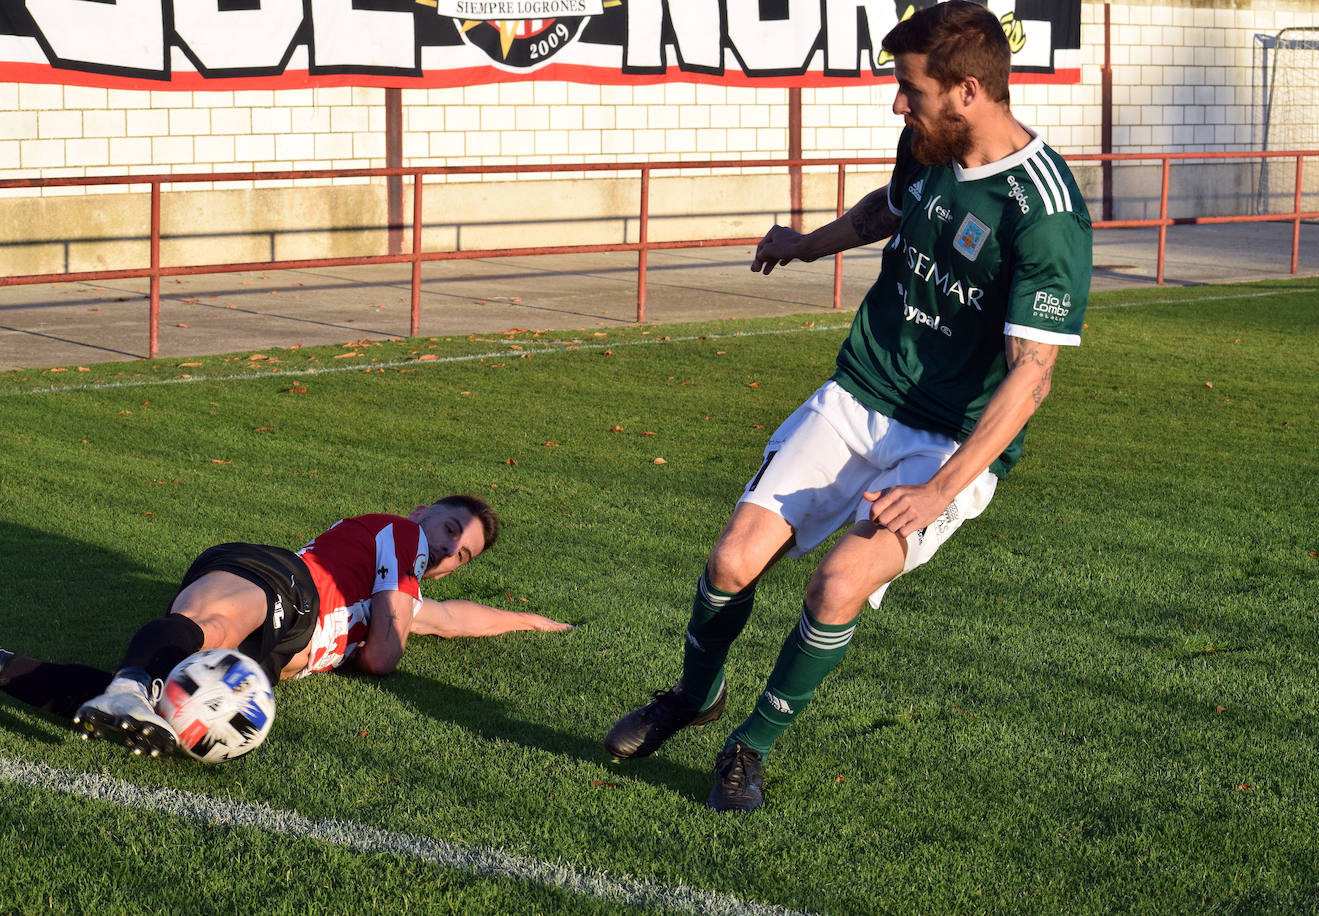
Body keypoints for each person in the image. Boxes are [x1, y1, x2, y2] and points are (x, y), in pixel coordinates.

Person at [602, 0, 1093, 812]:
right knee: (731, 561)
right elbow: (887, 209)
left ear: (968, 90)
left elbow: (1031, 377)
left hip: (948, 444)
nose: (900, 104)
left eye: (911, 89)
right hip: (862, 391)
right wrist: (805, 244)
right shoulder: (932, 142)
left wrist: (938, 489)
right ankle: (695, 696)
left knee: (837, 585)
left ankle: (748, 747)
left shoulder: (1043, 212)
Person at [0, 494, 569, 757]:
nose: (446, 549)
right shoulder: (403, 535)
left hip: (276, 650)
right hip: (283, 584)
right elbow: (383, 658)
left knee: (173, 704)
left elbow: (451, 619)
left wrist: (529, 620)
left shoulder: (394, 600)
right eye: (449, 529)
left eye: (461, 555)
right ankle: (127, 685)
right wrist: (394, 617)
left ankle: (15, 672)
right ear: (421, 513)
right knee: (212, 625)